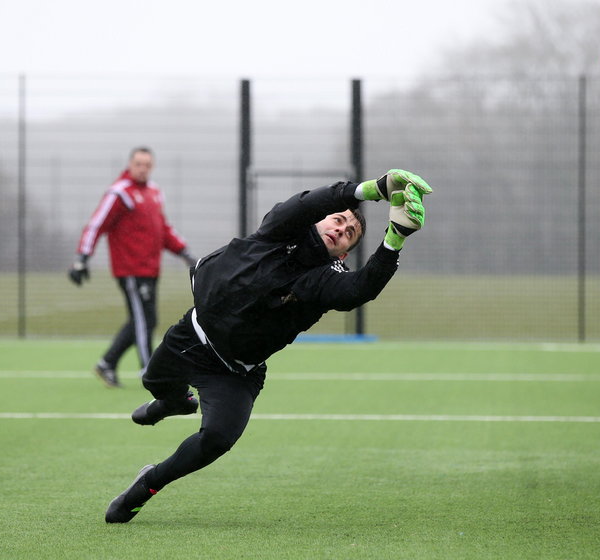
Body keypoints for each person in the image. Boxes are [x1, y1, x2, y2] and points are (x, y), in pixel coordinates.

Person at [103, 169, 432, 523]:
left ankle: (146, 485)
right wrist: (371, 189)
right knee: (153, 382)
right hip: (191, 338)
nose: (340, 230)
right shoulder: (281, 230)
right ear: (320, 220)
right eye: (338, 221)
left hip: (235, 372)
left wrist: (395, 238)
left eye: (348, 234)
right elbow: (304, 205)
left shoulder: (323, 277)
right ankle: (173, 402)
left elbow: (358, 290)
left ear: (344, 255)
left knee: (217, 439)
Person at [68, 147, 196, 388]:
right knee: (144, 320)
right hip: (130, 270)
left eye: (147, 164)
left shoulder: (154, 192)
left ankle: (107, 363)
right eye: (138, 163)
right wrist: (82, 257)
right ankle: (150, 371)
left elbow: (163, 229)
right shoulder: (120, 194)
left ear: (152, 166)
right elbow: (96, 225)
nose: (143, 168)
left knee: (143, 319)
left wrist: (184, 252)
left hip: (150, 268)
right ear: (130, 164)